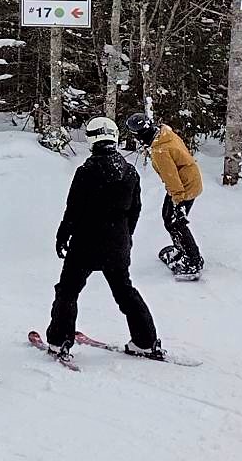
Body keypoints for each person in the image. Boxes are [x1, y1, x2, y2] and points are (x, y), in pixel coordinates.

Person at [46, 116, 164, 360]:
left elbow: (74, 209)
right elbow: (135, 209)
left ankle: (60, 340)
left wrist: (62, 235)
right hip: (116, 243)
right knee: (124, 292)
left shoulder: (86, 171)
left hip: (85, 243)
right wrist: (125, 237)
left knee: (68, 291)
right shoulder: (129, 172)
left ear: (92, 139)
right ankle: (146, 340)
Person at [122, 111, 204, 278]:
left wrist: (179, 202)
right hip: (188, 180)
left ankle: (193, 261)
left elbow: (171, 177)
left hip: (184, 186)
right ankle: (181, 250)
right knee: (168, 218)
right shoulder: (164, 133)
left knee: (176, 223)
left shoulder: (160, 150)